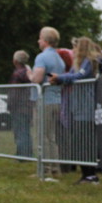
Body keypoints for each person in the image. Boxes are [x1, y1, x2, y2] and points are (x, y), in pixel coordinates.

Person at [50, 36, 102, 183]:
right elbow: (71, 74)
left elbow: (79, 76)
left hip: (86, 107)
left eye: (75, 47)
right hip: (78, 107)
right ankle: (86, 174)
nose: (73, 50)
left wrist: (60, 78)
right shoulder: (81, 63)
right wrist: (59, 78)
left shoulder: (90, 62)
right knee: (80, 143)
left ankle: (90, 175)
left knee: (85, 143)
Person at [29, 27, 66, 179]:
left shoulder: (42, 57)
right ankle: (55, 168)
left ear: (45, 40)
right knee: (51, 137)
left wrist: (29, 75)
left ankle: (45, 170)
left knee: (42, 135)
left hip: (44, 100)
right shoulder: (59, 59)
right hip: (57, 100)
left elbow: (37, 79)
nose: (38, 41)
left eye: (40, 38)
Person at [9, 50, 35, 160]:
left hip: (19, 107)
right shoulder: (28, 72)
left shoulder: (17, 74)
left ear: (15, 61)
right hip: (28, 106)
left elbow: (14, 92)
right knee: (26, 131)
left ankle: (22, 155)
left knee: (20, 131)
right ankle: (28, 153)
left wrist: (10, 105)